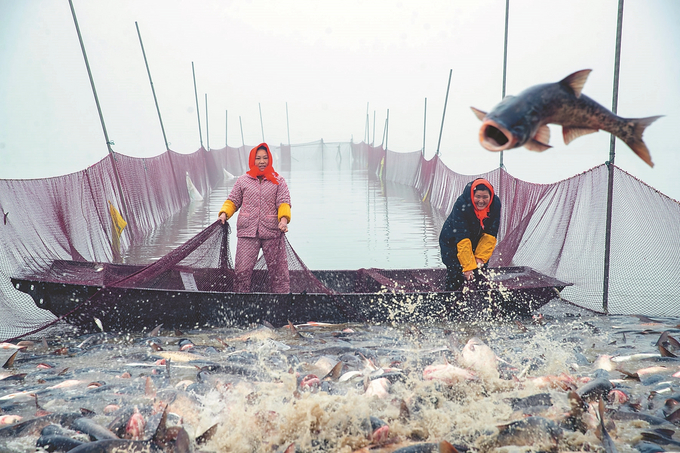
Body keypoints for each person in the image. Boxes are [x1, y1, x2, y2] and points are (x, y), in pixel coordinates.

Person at [218, 143, 291, 293]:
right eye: (258, 158)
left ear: (270, 159)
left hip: (272, 232)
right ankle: (241, 304)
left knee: (279, 274)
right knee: (242, 272)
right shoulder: (243, 180)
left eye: (265, 158)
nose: (262, 161)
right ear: (252, 160)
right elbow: (233, 200)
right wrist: (224, 213)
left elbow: (284, 202)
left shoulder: (278, 180)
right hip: (247, 232)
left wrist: (283, 221)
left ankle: (282, 306)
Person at [439, 178, 501, 291]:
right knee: (456, 273)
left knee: (480, 273)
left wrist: (480, 258)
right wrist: (467, 267)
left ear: (490, 196)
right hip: (453, 241)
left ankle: (478, 301)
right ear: (472, 196)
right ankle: (451, 300)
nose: (481, 201)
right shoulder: (461, 204)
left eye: (485, 197)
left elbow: (490, 234)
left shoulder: (495, 204)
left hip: (477, 241)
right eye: (478, 197)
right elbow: (462, 238)